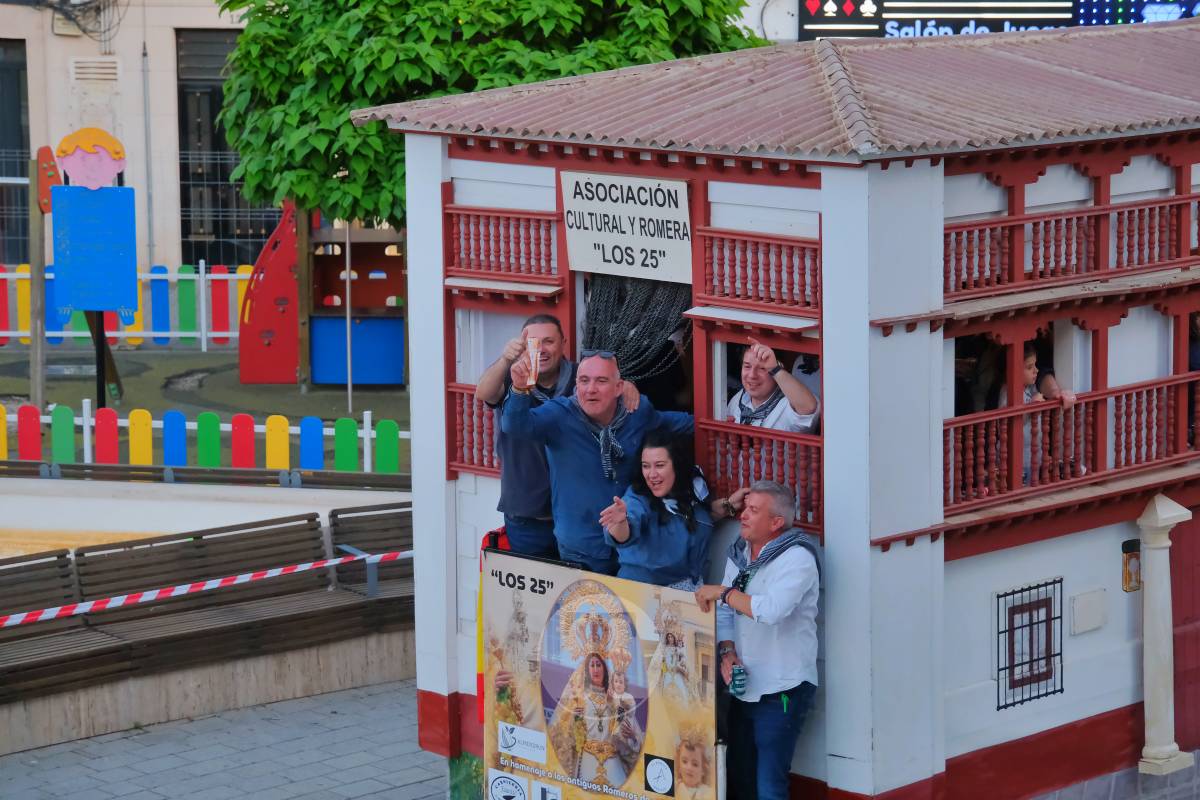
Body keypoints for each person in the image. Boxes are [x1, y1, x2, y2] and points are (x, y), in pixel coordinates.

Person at [502, 352, 692, 574]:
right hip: (581, 550)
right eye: (584, 381)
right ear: (576, 385)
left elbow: (677, 424)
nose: (590, 389)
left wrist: (731, 426)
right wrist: (518, 390)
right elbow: (515, 425)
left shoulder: (637, 412)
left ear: (619, 387)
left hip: (633, 545)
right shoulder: (559, 415)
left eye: (601, 381)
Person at [695, 480, 821, 800]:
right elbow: (725, 614)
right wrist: (727, 652)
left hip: (782, 689)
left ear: (776, 522)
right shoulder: (741, 553)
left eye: (753, 510)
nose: (743, 516)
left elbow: (771, 610)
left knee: (770, 786)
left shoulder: (798, 559)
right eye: (745, 509)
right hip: (744, 687)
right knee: (739, 777)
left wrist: (724, 593)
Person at [476, 314, 638, 558]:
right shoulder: (514, 378)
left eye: (549, 341)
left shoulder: (582, 378)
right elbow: (483, 392)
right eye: (534, 342)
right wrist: (506, 359)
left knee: (582, 594)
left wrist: (626, 386)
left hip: (581, 519)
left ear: (564, 342)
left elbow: (614, 394)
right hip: (528, 514)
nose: (541, 349)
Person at [599, 430, 749, 589]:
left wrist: (729, 505)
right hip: (643, 593)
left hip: (691, 593)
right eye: (646, 466)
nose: (651, 474)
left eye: (660, 465)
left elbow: (695, 517)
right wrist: (621, 522)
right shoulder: (637, 498)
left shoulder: (691, 489)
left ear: (677, 465)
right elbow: (624, 531)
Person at [547, 650, 640, 787]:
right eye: (592, 665)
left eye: (599, 665)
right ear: (587, 669)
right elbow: (562, 737)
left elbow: (625, 735)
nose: (596, 669)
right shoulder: (579, 698)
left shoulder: (616, 699)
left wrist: (631, 736)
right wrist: (574, 719)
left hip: (613, 765)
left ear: (605, 668)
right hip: (587, 761)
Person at [727, 339, 820, 433]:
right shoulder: (739, 398)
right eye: (747, 366)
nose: (752, 375)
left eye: (762, 368)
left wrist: (774, 368)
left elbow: (809, 407)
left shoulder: (789, 403)